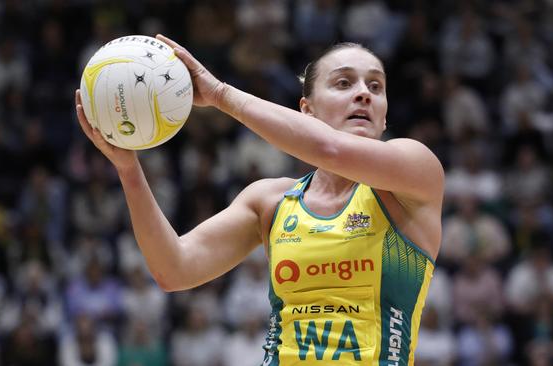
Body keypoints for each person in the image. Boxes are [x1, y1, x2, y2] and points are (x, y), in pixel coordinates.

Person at [74, 34, 444, 365]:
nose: (364, 92)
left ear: (384, 116)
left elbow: (329, 149)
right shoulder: (272, 201)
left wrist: (221, 95)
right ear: (306, 110)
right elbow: (173, 269)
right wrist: (128, 168)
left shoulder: (414, 173)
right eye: (344, 83)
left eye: (375, 86)